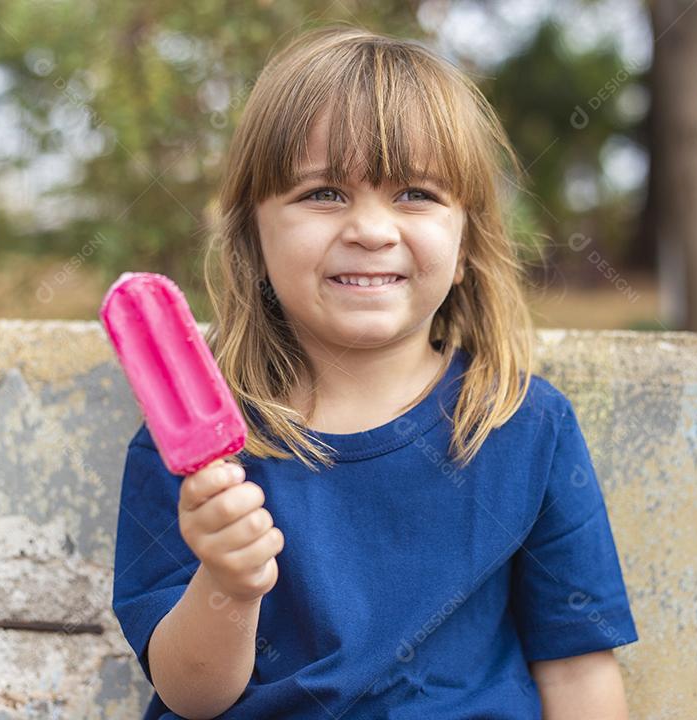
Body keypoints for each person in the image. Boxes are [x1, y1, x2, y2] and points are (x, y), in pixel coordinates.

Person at [112, 23, 638, 720]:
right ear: (252, 234)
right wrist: (228, 582)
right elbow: (193, 695)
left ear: (468, 235)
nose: (371, 229)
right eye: (324, 193)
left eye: (415, 193)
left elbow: (577, 673)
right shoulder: (193, 459)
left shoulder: (526, 426)